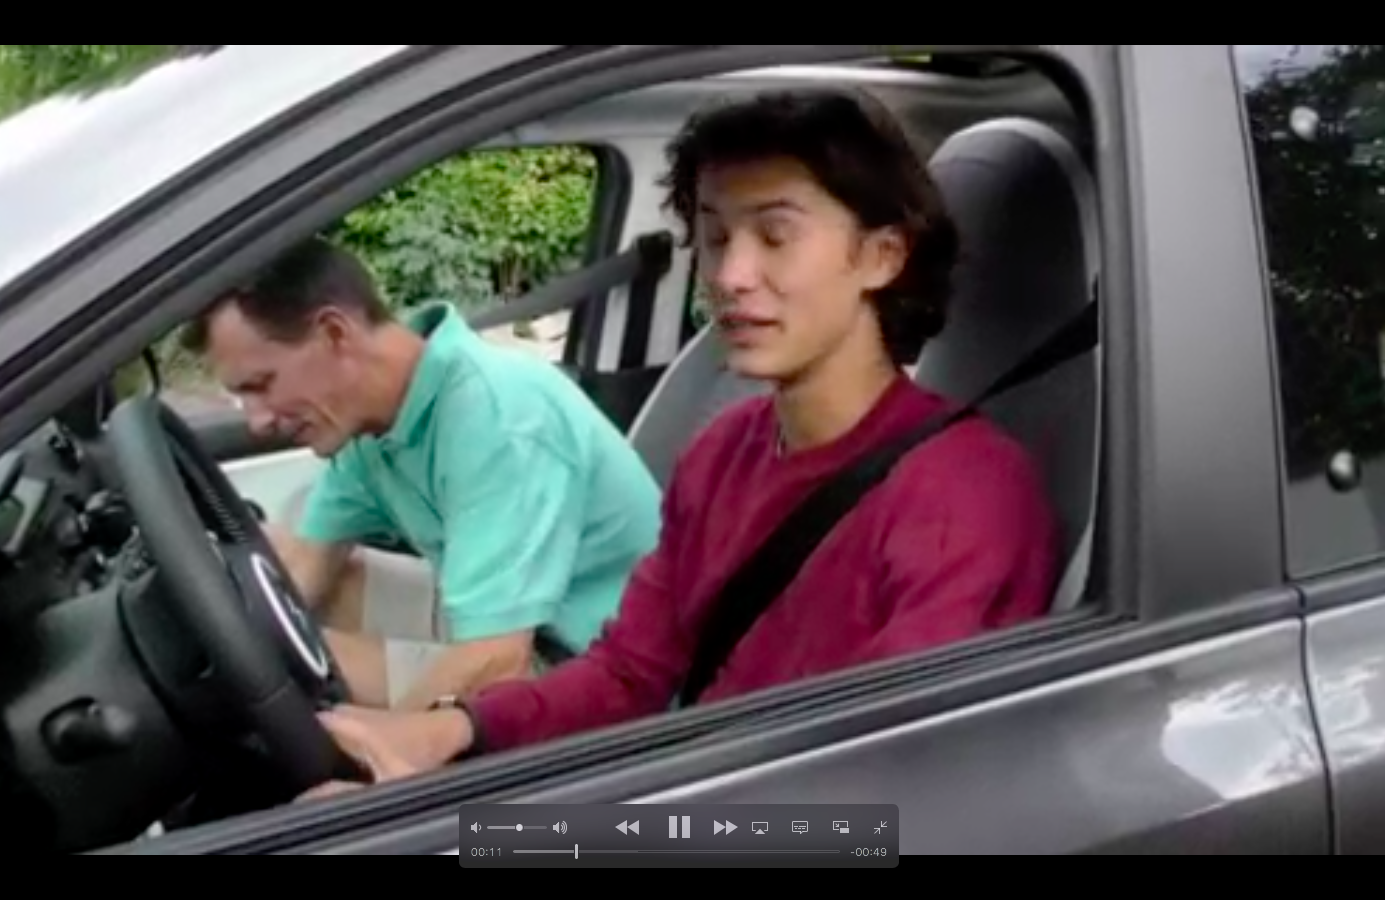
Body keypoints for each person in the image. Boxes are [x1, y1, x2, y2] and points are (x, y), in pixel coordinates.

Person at [304, 87, 1061, 792]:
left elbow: (888, 793)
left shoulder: (966, 492)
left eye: (775, 235)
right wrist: (452, 728)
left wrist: (505, 837)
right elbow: (629, 673)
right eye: (715, 236)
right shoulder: (724, 450)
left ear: (880, 256)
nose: (730, 274)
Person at [183, 239, 663, 710]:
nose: (257, 421)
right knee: (285, 596)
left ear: (334, 333)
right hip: (518, 622)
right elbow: (309, 560)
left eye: (261, 385)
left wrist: (383, 749)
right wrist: (223, 649)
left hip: (599, 670)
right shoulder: (370, 419)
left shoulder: (498, 421)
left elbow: (497, 662)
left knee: (297, 674)